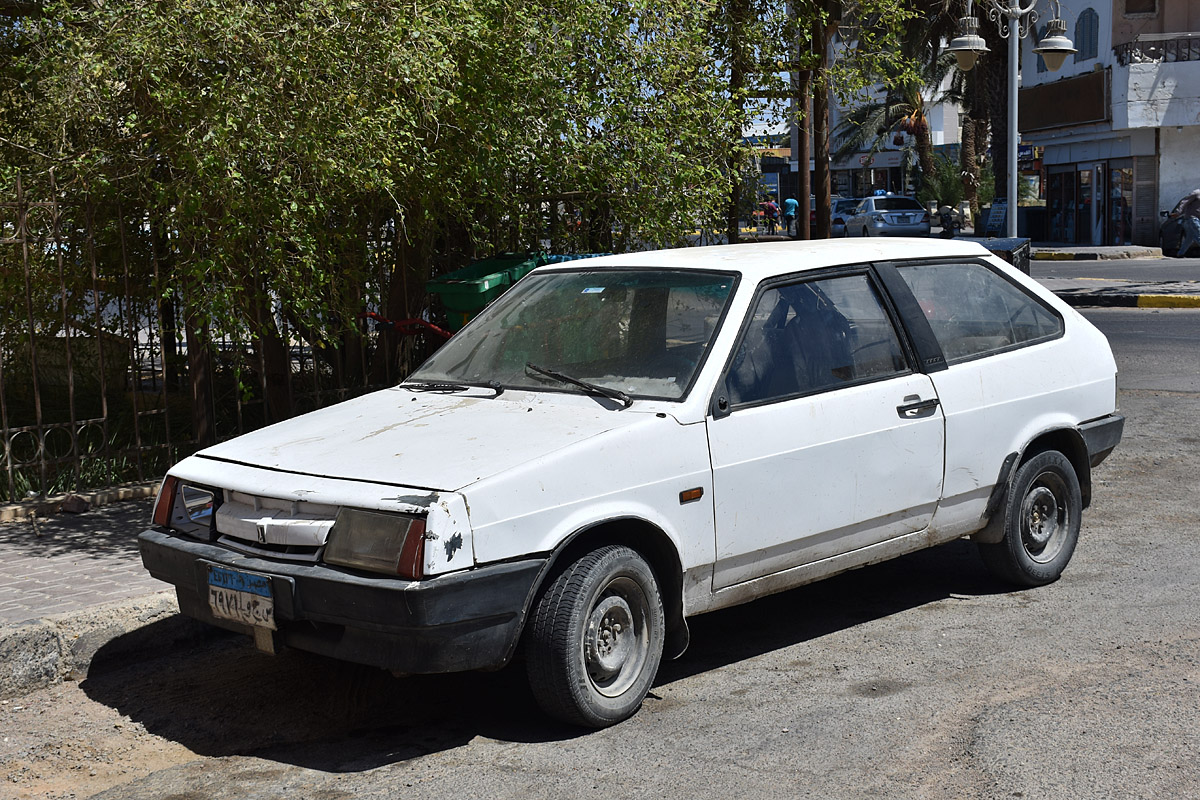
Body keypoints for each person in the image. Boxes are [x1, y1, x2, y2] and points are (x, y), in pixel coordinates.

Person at [1170, 189, 1200, 257]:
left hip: (1197, 219)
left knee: (1189, 238)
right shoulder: (1196, 193)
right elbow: (1184, 202)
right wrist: (1178, 212)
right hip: (1192, 218)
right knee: (1199, 235)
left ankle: (1180, 253)